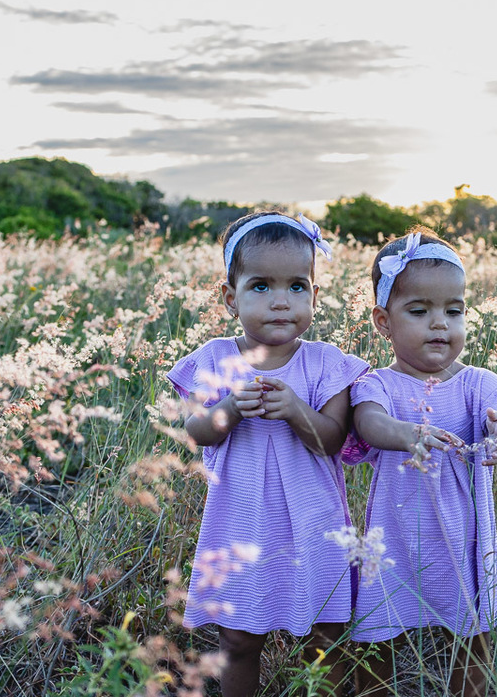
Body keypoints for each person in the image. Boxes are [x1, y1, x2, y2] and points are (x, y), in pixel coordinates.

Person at [167, 211, 367, 697]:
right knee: (237, 638)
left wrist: (298, 410)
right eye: (261, 286)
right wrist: (231, 408)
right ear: (230, 296)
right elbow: (197, 431)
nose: (281, 301)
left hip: (314, 520)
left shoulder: (327, 363)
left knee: (325, 636)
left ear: (315, 296)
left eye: (298, 286)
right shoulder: (212, 359)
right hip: (240, 520)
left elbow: (332, 442)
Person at [342, 230, 497, 697]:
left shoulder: (477, 383)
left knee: (472, 633)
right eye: (420, 311)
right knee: (378, 631)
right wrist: (409, 434)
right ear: (383, 321)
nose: (440, 324)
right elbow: (368, 423)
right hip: (394, 538)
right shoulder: (378, 384)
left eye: (454, 310)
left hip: (463, 537)